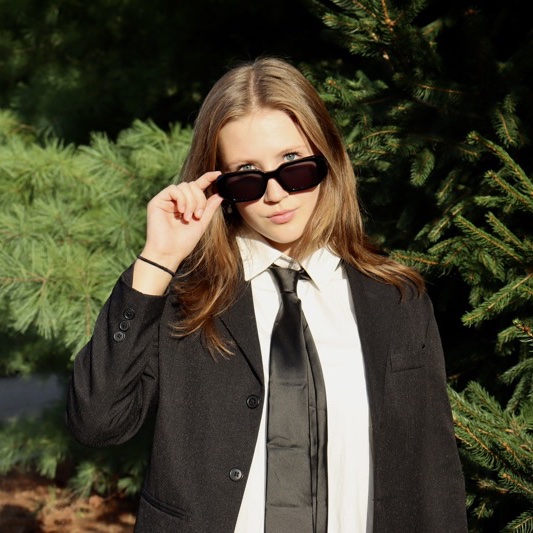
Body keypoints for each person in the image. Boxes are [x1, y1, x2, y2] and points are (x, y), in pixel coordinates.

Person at [66, 56, 468, 533]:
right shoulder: (186, 301)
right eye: (248, 176)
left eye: (293, 166)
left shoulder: (397, 300)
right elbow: (98, 421)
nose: (275, 194)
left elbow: (433, 471)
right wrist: (157, 260)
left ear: (328, 158)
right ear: (220, 185)